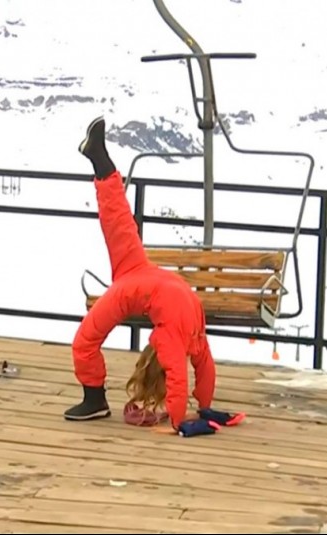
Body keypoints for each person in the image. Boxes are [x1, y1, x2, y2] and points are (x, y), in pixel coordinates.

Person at [67, 115, 220, 437]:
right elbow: (181, 375)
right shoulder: (178, 340)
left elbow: (199, 370)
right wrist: (184, 419)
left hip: (143, 276)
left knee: (118, 222)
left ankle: (101, 163)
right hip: (135, 283)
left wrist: (200, 408)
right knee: (84, 342)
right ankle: (92, 397)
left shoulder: (189, 339)